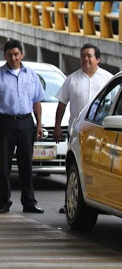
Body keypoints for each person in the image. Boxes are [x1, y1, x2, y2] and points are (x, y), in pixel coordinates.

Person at [53, 43, 113, 213]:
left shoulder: (107, 79)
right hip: (77, 132)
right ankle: (71, 201)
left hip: (100, 133)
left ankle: (97, 200)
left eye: (89, 56)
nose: (86, 59)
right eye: (83, 56)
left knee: (97, 168)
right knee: (74, 168)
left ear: (98, 59)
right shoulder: (72, 79)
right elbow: (62, 105)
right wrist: (58, 126)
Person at [0, 39, 45, 214]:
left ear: (22, 54)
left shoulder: (31, 75)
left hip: (26, 122)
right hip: (5, 123)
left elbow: (36, 100)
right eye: (9, 54)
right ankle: (3, 203)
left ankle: (29, 202)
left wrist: (39, 124)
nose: (13, 58)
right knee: (4, 166)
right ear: (5, 55)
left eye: (16, 54)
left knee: (26, 165)